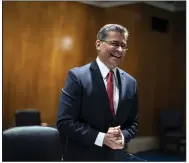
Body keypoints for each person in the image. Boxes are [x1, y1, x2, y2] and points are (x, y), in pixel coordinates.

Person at [57, 24, 139, 161]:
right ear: (98, 44)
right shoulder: (77, 77)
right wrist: (101, 138)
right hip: (83, 156)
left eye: (123, 46)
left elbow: (133, 124)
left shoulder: (131, 83)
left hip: (116, 157)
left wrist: (122, 136)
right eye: (114, 43)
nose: (119, 50)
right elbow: (65, 122)